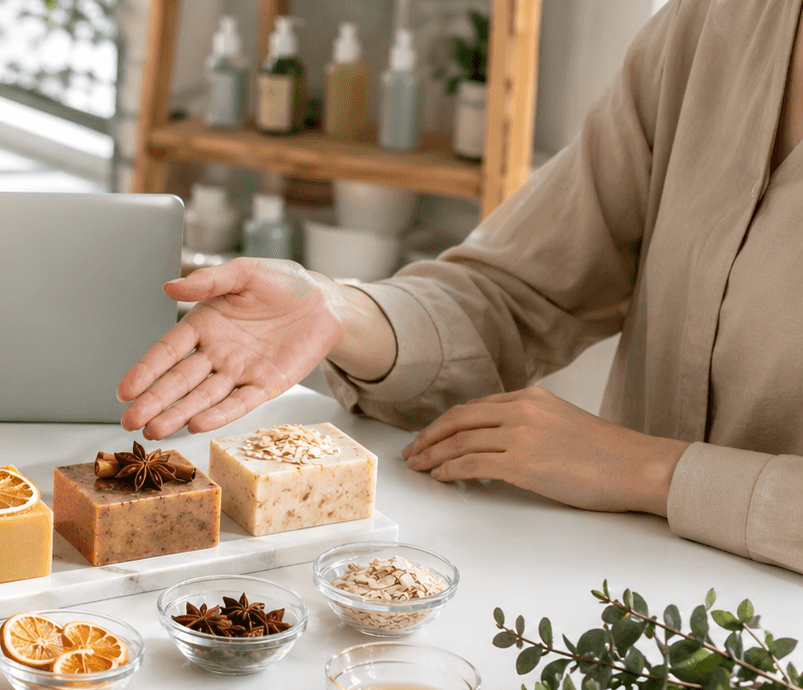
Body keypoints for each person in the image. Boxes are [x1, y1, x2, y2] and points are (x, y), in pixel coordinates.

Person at [119, 0, 803, 575]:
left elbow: (646, 470)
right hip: (613, 606)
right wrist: (339, 309)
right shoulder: (717, 23)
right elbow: (514, 290)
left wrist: (650, 470)